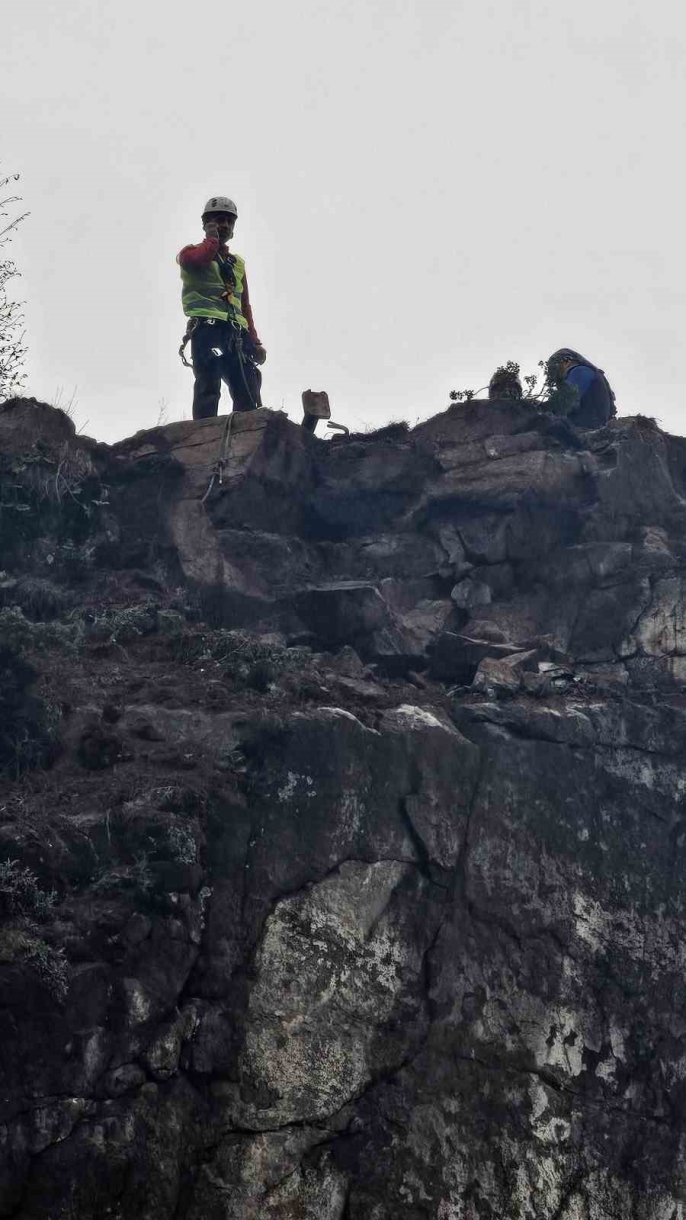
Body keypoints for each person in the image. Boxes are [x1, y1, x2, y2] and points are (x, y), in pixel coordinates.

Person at [177, 196, 267, 419]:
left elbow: (244, 305)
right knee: (208, 385)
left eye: (229, 221)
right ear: (206, 223)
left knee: (247, 388)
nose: (225, 225)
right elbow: (199, 260)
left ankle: (247, 432)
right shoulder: (189, 253)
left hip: (236, 334)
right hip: (207, 330)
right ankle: (204, 432)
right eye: (219, 220)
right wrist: (211, 239)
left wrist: (254, 340)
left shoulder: (237, 264)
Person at [547, 349, 616, 429]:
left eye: (556, 367)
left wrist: (544, 408)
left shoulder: (579, 371)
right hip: (591, 424)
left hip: (585, 426)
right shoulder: (586, 372)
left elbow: (568, 401)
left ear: (567, 361)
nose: (555, 374)